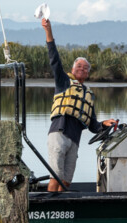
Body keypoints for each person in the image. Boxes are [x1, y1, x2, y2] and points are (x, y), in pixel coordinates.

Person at [42, 18, 115, 192]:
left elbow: (93, 126)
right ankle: (51, 211)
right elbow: (54, 59)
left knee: (66, 181)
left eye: (85, 68)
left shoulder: (88, 95)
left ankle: (60, 211)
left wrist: (105, 124)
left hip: (75, 140)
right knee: (56, 177)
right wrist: (48, 32)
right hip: (59, 133)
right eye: (79, 66)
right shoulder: (63, 82)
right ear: (73, 69)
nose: (82, 69)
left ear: (88, 73)